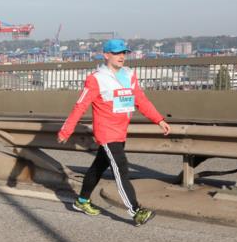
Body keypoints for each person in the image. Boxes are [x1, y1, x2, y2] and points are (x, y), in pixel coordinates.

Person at [58, 39, 171, 226]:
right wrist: (66, 130)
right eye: (117, 53)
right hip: (107, 133)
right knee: (121, 170)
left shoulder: (129, 75)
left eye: (124, 53)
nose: (121, 56)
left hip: (120, 131)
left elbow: (141, 100)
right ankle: (135, 211)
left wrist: (159, 119)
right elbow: (80, 106)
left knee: (98, 167)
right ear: (106, 55)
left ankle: (82, 201)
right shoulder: (96, 79)